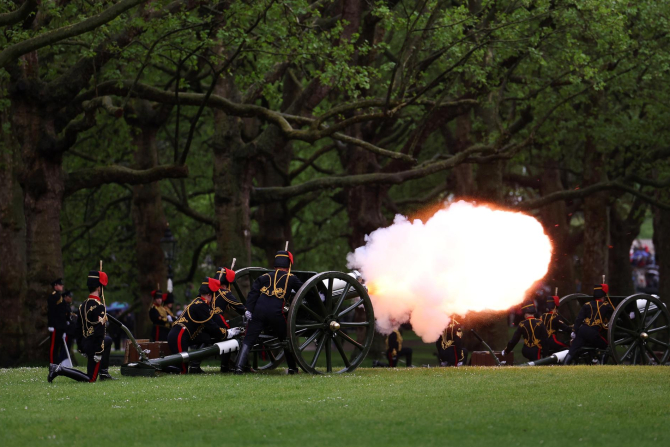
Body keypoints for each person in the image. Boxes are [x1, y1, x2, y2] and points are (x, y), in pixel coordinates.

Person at [234, 250, 303, 375]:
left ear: (275, 265)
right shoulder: (291, 278)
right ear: (288, 266)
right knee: (285, 339)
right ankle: (292, 368)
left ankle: (238, 367)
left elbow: (253, 294)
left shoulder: (264, 277)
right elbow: (303, 292)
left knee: (248, 339)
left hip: (258, 312)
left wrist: (248, 310)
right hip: (276, 314)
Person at [48, 269, 115, 382]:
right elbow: (100, 331)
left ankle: (103, 372)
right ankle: (59, 369)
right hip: (94, 346)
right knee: (90, 378)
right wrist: (99, 352)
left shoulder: (82, 305)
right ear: (99, 288)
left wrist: (80, 347)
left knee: (108, 340)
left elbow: (78, 329)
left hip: (85, 344)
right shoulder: (99, 306)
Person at [167, 277, 240, 374]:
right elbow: (211, 325)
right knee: (182, 370)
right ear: (209, 295)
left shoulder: (198, 301)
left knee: (206, 338)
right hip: (180, 335)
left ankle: (195, 365)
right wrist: (227, 333)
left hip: (184, 335)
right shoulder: (201, 305)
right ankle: (163, 368)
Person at [563, 283, 614, 365]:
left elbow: (579, 319)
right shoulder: (606, 306)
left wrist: (574, 331)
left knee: (572, 350)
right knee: (606, 347)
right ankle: (602, 364)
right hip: (593, 333)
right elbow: (615, 315)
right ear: (603, 296)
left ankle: (564, 365)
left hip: (582, 331)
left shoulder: (587, 305)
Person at [211, 267, 245, 372]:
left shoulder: (211, 292)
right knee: (230, 335)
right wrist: (247, 311)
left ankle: (195, 365)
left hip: (206, 319)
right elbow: (238, 306)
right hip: (217, 318)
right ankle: (225, 366)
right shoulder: (225, 293)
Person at [47, 278, 71, 365]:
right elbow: (51, 311)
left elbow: (63, 312)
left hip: (61, 325)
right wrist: (51, 325)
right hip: (55, 325)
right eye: (60, 285)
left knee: (59, 345)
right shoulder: (53, 296)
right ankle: (52, 362)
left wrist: (65, 325)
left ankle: (58, 362)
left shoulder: (60, 296)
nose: (62, 286)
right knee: (54, 346)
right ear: (55, 286)